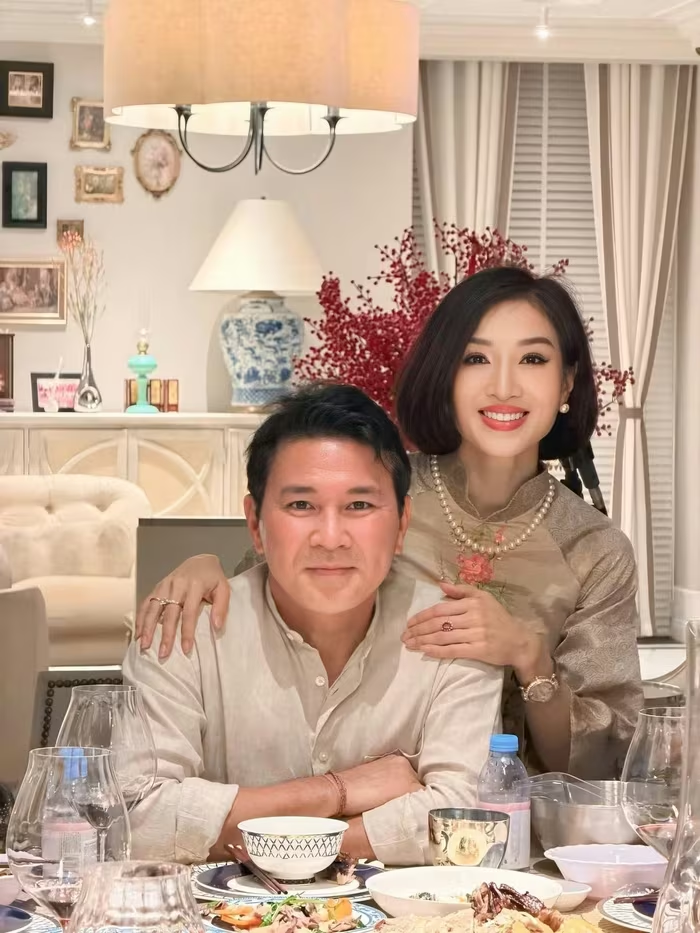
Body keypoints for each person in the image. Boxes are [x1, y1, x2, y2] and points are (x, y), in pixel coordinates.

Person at [136, 266, 643, 779]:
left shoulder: (594, 549)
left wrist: (528, 656)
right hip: (357, 796)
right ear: (446, 376)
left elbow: (606, 763)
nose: (504, 386)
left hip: (514, 815)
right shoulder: (374, 489)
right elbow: (269, 589)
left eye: (533, 359)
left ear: (567, 382)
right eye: (476, 358)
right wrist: (205, 567)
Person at [124, 384, 502, 864]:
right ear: (255, 524)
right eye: (301, 506)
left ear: (402, 523)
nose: (330, 537)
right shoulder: (184, 630)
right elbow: (137, 819)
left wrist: (273, 836)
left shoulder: (452, 632)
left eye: (359, 506)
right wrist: (338, 791)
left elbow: (464, 820)